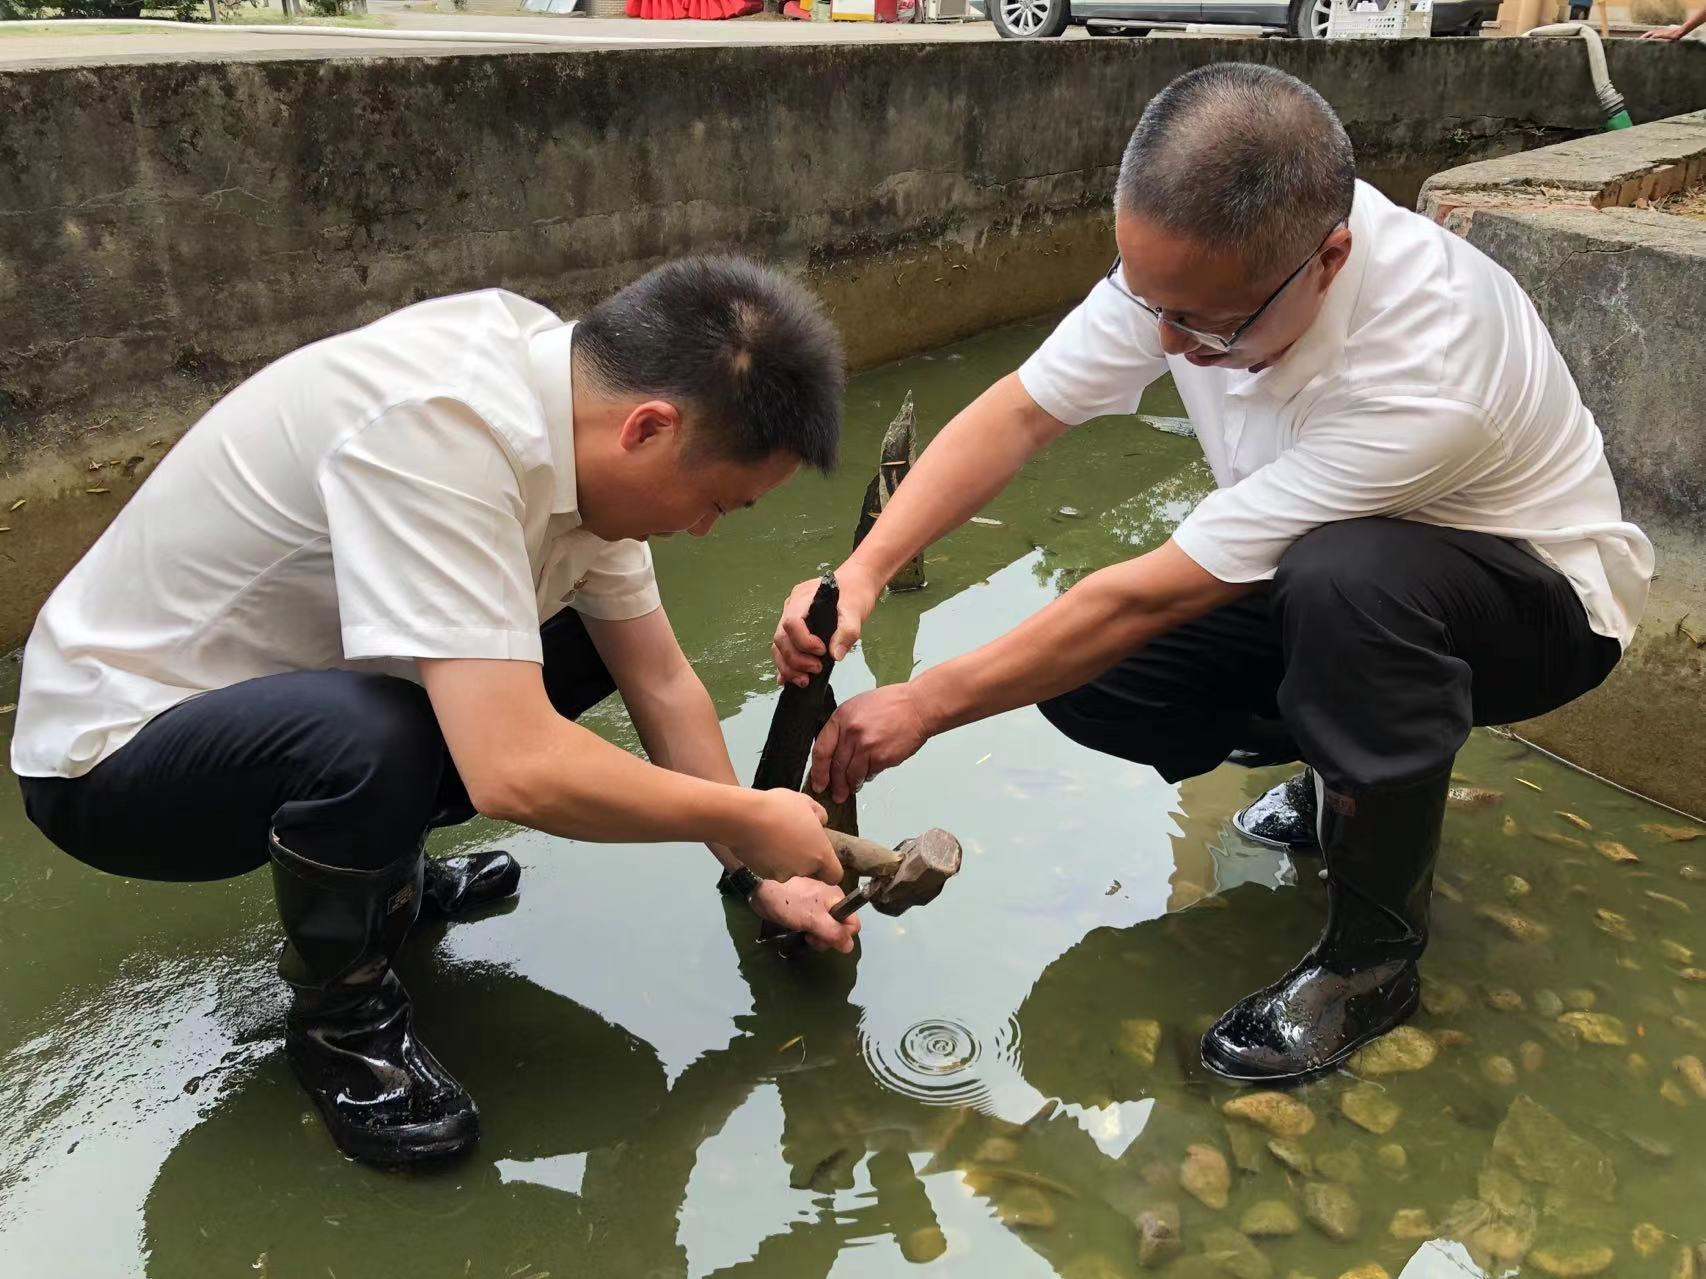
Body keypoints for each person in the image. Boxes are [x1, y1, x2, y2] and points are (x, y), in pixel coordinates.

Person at [771, 64, 1652, 1087]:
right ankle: (1346, 780)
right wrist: (864, 572)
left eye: (1199, 324)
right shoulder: (1201, 270)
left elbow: (1152, 590)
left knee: (1344, 583)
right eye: (1145, 298)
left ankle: (1371, 959)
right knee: (1094, 674)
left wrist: (923, 701)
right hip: (1350, 578)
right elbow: (1021, 409)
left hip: (1534, 608)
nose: (1163, 340)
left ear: (1328, 260)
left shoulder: (1423, 363)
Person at [12, 256, 863, 1167]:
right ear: (649, 428)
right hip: (113, 755)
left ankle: (387, 884)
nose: (704, 528)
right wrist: (748, 816)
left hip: (281, 699)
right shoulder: (442, 425)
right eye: (716, 503)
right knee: (372, 738)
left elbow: (658, 677)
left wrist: (754, 872)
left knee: (569, 643)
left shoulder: (575, 412)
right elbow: (510, 766)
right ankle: (343, 1028)